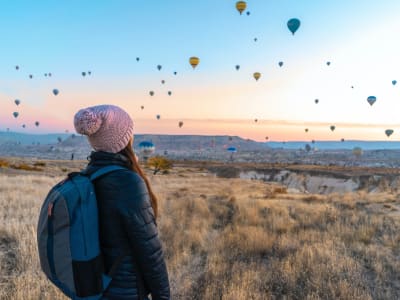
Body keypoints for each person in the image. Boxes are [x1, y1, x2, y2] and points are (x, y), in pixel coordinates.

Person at [74, 104, 170, 300]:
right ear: (125, 139)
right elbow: (149, 251)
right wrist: (163, 296)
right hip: (125, 290)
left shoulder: (88, 175)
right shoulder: (128, 182)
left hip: (93, 287)